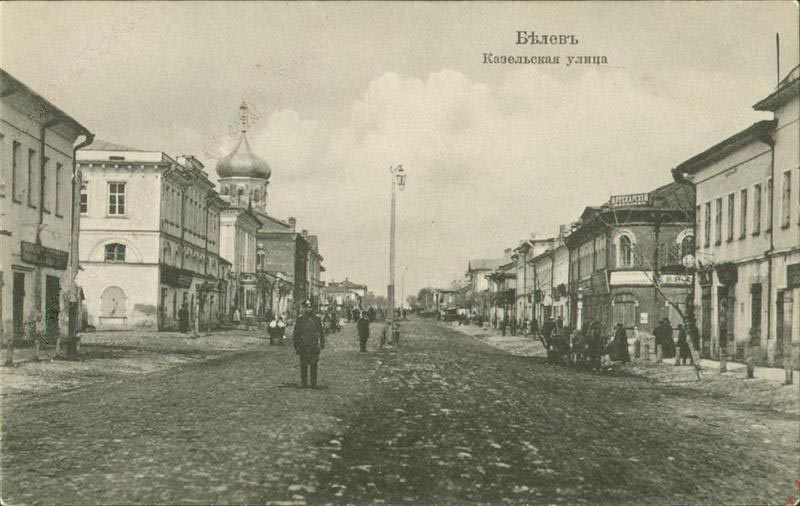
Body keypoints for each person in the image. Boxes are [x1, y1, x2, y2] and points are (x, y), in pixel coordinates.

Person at [293, 300, 325, 388]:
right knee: (303, 364)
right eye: (307, 307)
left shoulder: (317, 319)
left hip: (314, 345)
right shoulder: (300, 319)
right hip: (303, 345)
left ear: (312, 308)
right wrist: (296, 345)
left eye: (310, 307)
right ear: (304, 308)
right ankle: (304, 382)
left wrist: (322, 343)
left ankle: (313, 383)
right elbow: (296, 334)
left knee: (314, 364)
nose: (308, 309)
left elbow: (321, 332)